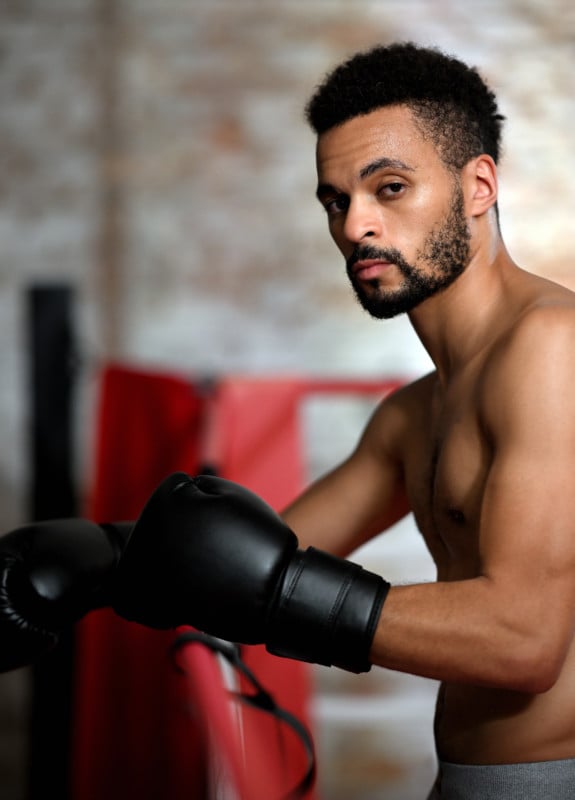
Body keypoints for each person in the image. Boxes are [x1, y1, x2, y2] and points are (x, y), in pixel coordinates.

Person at [6, 41, 575, 799]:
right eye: (335, 200)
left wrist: (278, 590)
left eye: (390, 188)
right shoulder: (415, 412)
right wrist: (106, 560)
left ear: (477, 186)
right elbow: (262, 555)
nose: (355, 227)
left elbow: (522, 643)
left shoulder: (551, 348)